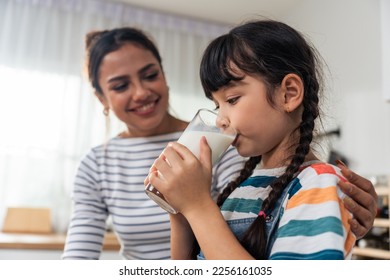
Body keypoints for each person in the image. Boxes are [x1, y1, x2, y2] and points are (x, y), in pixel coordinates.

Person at [63, 26, 376, 260]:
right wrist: (179, 209)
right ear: (101, 98)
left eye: (232, 100)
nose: (221, 120)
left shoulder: (306, 181)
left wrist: (196, 205)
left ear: (290, 93)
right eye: (217, 105)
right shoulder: (244, 186)